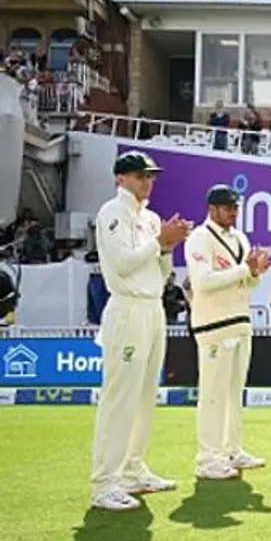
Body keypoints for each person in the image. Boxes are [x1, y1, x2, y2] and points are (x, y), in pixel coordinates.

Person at [89, 151, 190, 511]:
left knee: (146, 394)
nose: (147, 182)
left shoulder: (150, 218)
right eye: (138, 176)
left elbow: (160, 272)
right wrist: (158, 241)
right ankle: (105, 483)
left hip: (152, 308)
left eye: (150, 177)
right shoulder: (111, 212)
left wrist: (167, 246)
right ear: (120, 179)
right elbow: (122, 263)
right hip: (127, 307)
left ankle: (133, 469)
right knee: (120, 396)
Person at [184, 184, 271, 480]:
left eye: (235, 207)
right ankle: (208, 458)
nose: (233, 212)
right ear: (212, 208)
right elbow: (204, 281)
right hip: (213, 325)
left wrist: (257, 272)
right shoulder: (199, 237)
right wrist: (245, 270)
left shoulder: (239, 238)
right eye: (227, 207)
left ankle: (232, 450)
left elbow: (247, 284)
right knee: (212, 394)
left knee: (234, 393)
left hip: (240, 320)